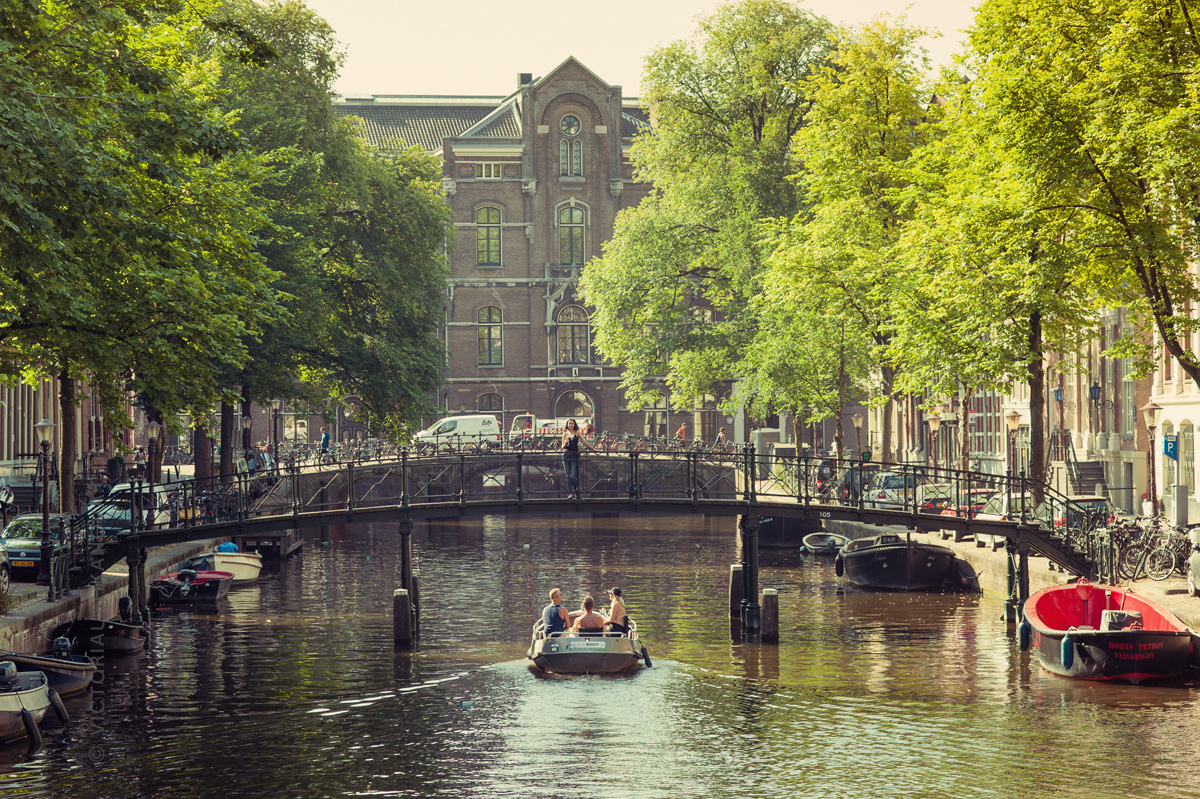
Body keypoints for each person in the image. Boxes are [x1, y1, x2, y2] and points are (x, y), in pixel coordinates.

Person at [561, 418, 591, 499]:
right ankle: (571, 493)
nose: (570, 425)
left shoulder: (577, 432)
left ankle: (577, 490)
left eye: (572, 424)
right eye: (569, 423)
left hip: (574, 455)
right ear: (567, 424)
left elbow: (584, 441)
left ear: (574, 425)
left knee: (572, 476)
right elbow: (562, 447)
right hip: (565, 455)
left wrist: (592, 448)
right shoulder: (565, 434)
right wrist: (565, 443)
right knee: (568, 476)